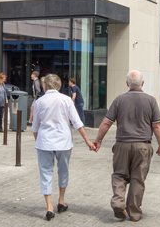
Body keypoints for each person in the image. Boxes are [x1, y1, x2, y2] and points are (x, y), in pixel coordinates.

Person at [91, 70, 160, 222]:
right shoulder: (151, 101)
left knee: (119, 175)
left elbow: (106, 123)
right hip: (143, 146)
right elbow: (157, 126)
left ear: (127, 84)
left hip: (122, 145)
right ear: (142, 84)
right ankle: (134, 213)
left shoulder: (119, 100)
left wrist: (98, 140)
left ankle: (118, 202)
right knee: (138, 179)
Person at [31, 73, 95, 221]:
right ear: (58, 85)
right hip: (63, 142)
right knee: (63, 171)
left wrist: (37, 141)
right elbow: (77, 122)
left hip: (45, 142)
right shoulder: (66, 100)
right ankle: (61, 201)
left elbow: (35, 127)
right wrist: (88, 141)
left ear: (45, 85)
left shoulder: (39, 102)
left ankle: (49, 207)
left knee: (45, 173)